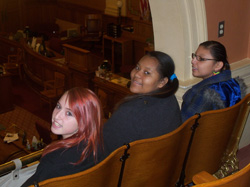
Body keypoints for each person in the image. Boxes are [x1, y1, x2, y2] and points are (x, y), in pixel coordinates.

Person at [102, 51, 182, 157]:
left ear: (162, 82)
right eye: (137, 68)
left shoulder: (129, 111)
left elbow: (103, 148)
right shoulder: (170, 100)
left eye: (147, 73)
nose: (136, 74)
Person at [22, 87, 103, 186]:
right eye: (58, 106)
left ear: (85, 121)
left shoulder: (54, 160)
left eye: (69, 113)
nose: (56, 116)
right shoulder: (97, 146)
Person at [181, 40, 246, 122]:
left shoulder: (204, 94)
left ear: (218, 65)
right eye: (194, 56)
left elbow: (184, 127)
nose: (193, 61)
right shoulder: (234, 85)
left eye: (201, 59)